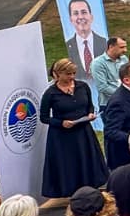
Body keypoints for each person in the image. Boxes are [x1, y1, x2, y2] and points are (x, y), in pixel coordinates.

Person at [39, 58, 107, 202]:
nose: (71, 77)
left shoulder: (83, 86)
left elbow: (89, 105)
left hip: (83, 131)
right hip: (63, 136)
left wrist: (90, 114)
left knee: (86, 159)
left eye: (73, 73)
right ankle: (72, 193)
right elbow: (44, 117)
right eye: (68, 74)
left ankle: (90, 188)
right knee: (69, 164)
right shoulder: (50, 94)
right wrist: (60, 123)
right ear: (58, 74)